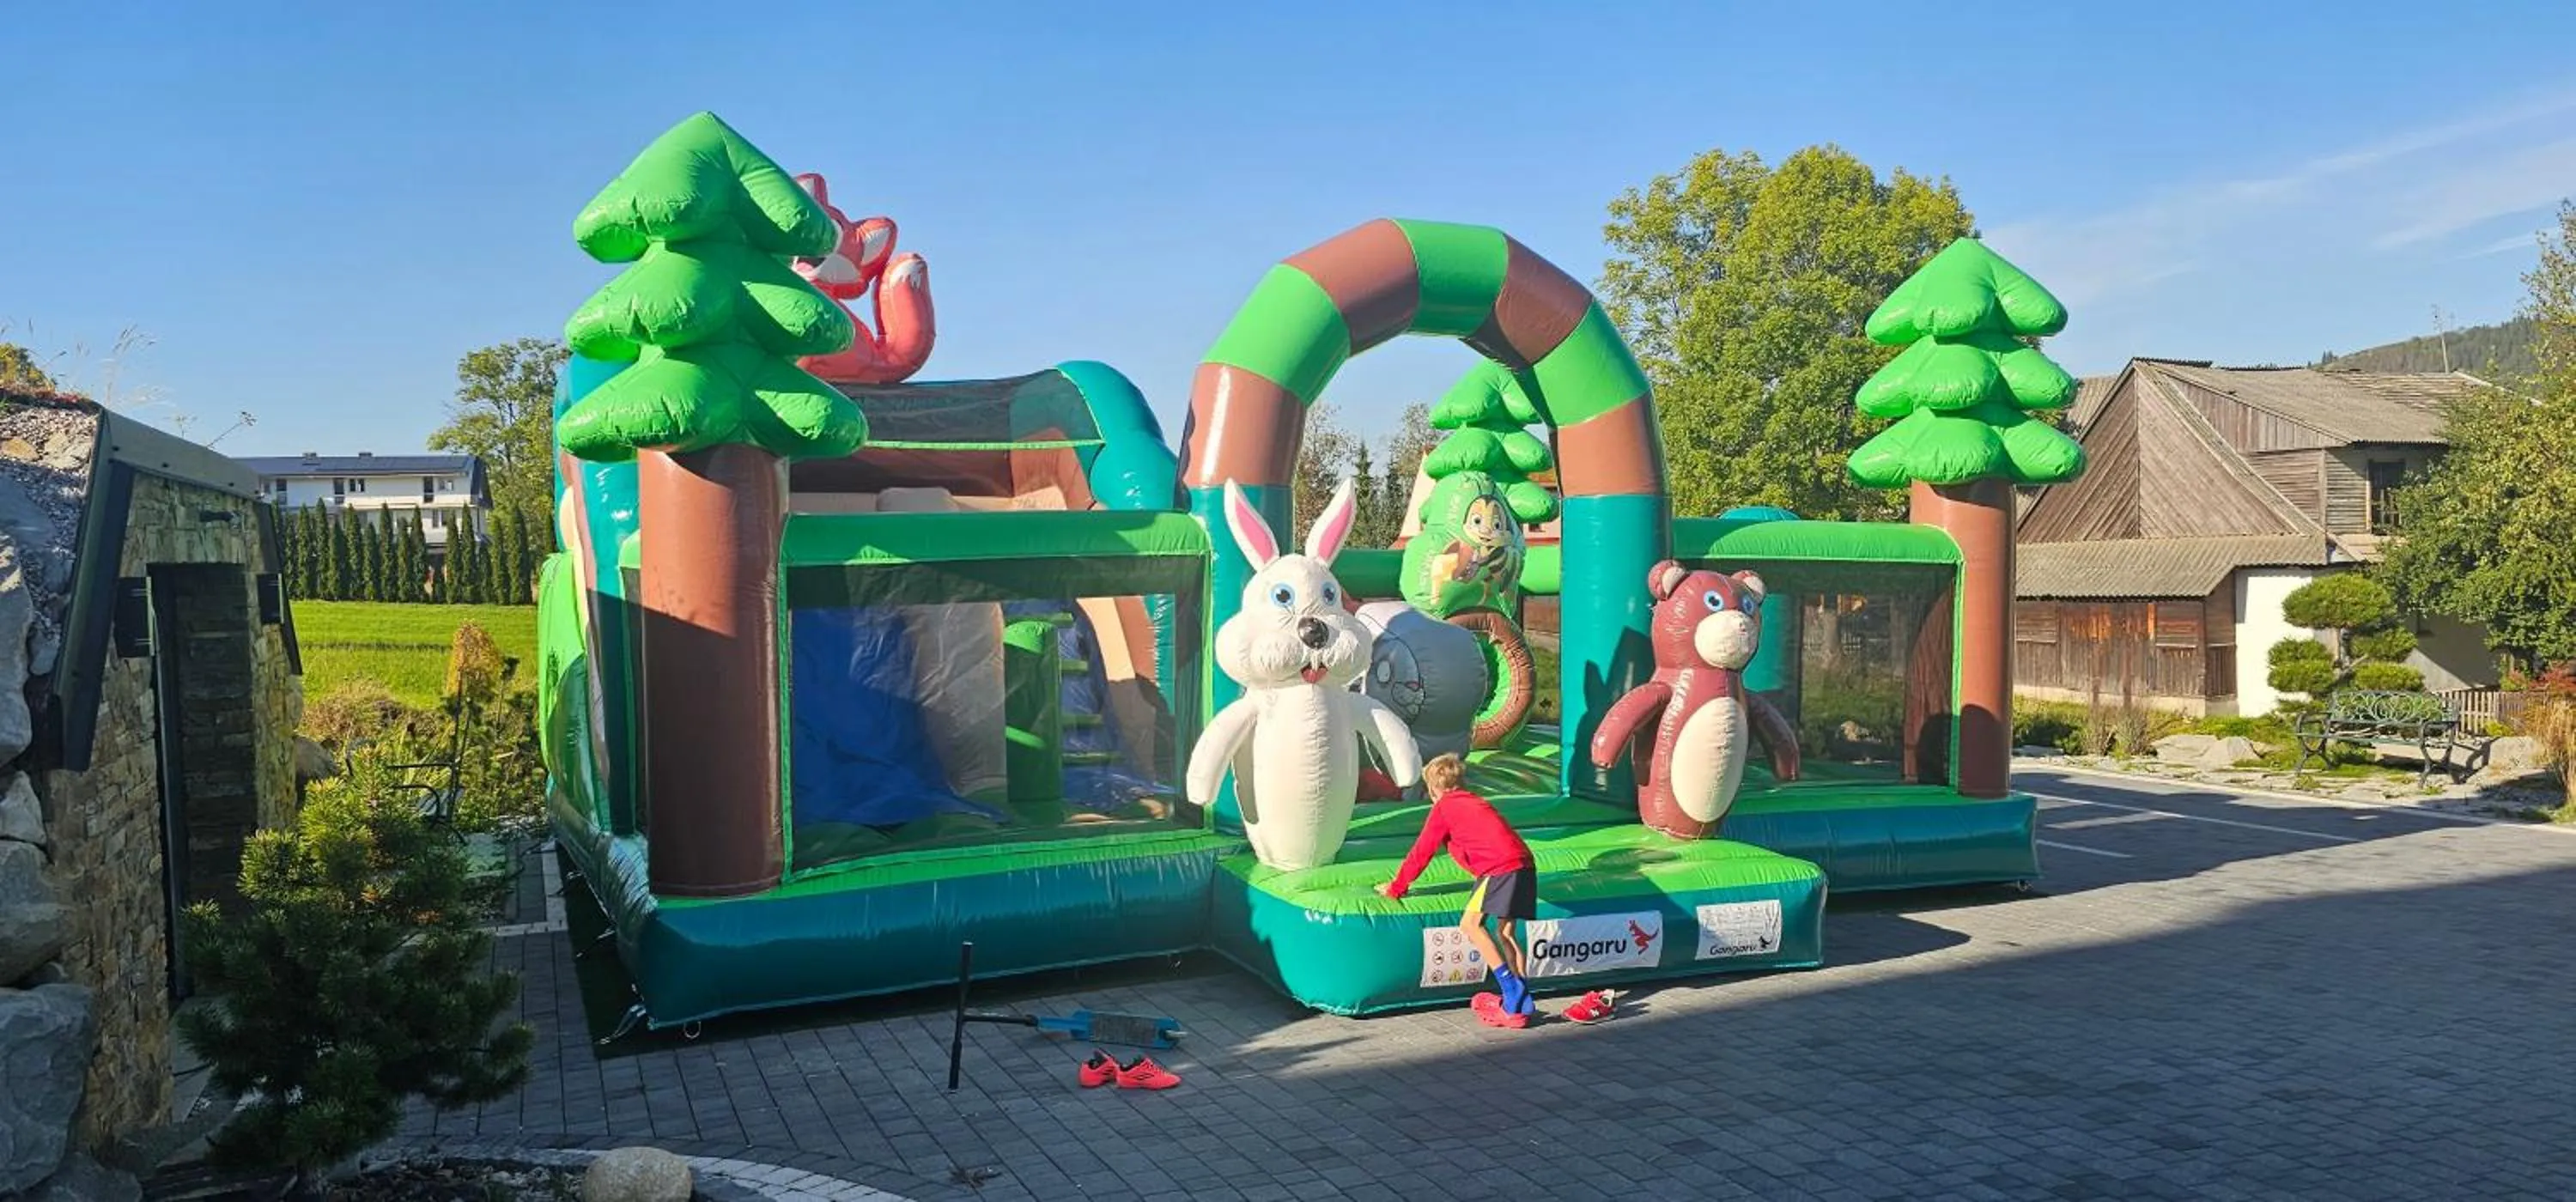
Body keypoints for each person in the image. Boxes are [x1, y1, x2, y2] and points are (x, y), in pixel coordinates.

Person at [1379, 753, 1541, 1024]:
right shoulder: (1475, 801)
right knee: (1506, 932)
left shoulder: (1444, 808)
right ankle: (1522, 1002)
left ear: (1432, 789)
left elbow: (1422, 852)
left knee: (1470, 925)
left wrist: (1396, 887)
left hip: (1499, 868)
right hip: (1523, 864)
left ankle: (1512, 992)